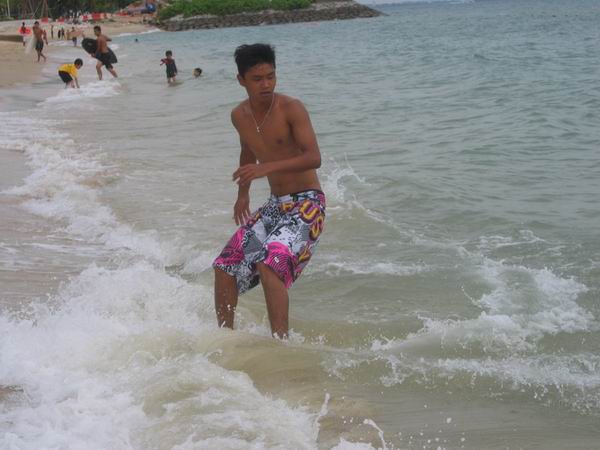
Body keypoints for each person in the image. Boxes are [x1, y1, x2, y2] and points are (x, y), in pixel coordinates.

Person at [212, 44, 325, 339]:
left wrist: (267, 168)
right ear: (241, 80)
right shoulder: (239, 115)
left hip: (307, 204)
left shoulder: (291, 108)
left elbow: (314, 157)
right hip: (276, 205)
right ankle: (225, 340)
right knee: (224, 267)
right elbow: (247, 152)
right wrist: (243, 195)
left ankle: (281, 345)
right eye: (257, 79)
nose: (266, 85)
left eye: (270, 77)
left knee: (269, 265)